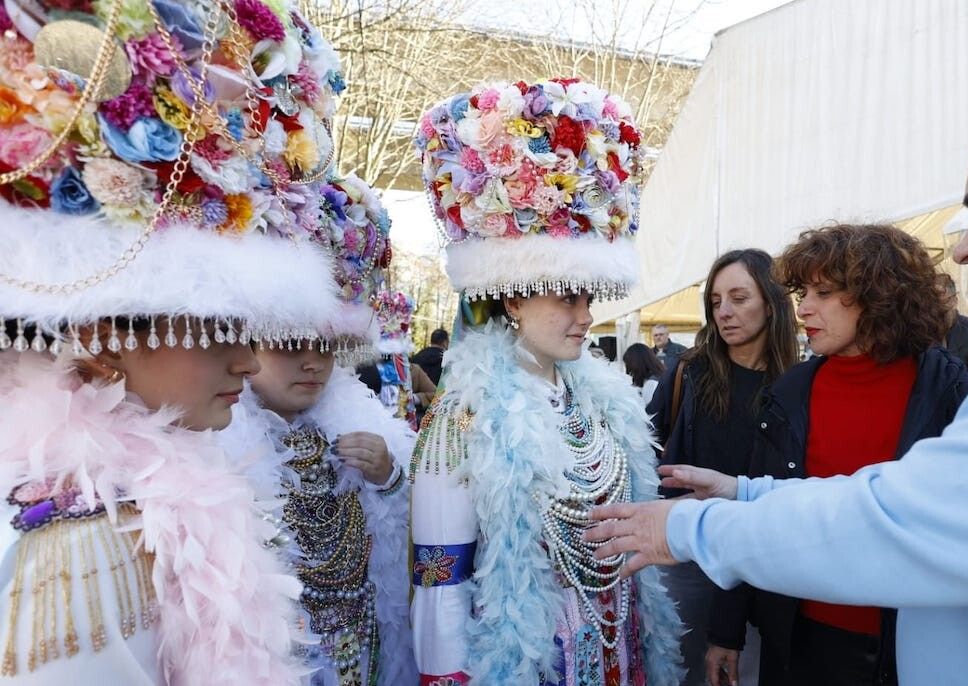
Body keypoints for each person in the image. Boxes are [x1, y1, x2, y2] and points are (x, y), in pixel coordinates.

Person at [585, 35, 968, 684]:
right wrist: (747, 491)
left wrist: (689, 527)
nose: (964, 250)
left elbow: (903, 520)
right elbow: (908, 496)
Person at [0, 0, 349, 677]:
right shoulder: (81, 546)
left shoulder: (135, 506)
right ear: (101, 342)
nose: (248, 363)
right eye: (218, 331)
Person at [408, 77, 683, 685]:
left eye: (589, 297)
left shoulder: (599, 400)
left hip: (620, 646)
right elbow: (439, 582)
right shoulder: (462, 417)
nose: (585, 316)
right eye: (566, 296)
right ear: (512, 298)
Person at [706, 224, 968, 686]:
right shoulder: (790, 392)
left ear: (879, 295)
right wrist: (726, 630)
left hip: (910, 644)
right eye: (803, 291)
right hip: (798, 639)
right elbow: (757, 513)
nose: (803, 307)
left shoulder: (954, 395)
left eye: (824, 292)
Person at [220, 180, 416, 685]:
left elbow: (403, 546)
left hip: (366, 641)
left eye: (325, 347)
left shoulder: (352, 424)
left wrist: (388, 477)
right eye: (289, 344)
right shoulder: (217, 445)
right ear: (245, 348)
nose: (312, 363)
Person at [646, 248, 797, 686]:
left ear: (771, 303)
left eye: (738, 298)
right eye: (715, 302)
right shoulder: (689, 372)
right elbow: (648, 444)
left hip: (756, 562)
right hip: (685, 559)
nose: (725, 312)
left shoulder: (793, 387)